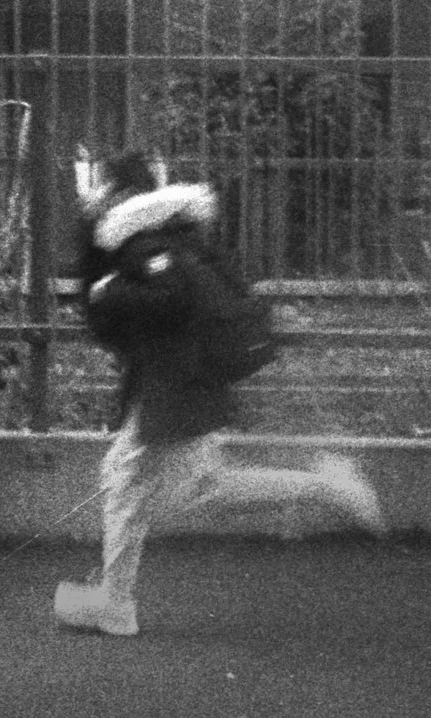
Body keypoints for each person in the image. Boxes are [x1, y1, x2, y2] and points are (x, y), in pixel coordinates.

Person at [53, 152, 386, 639]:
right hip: (182, 381)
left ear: (120, 194)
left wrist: (109, 294)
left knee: (128, 484)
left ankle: (116, 603)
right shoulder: (163, 231)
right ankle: (326, 486)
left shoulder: (142, 239)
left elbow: (169, 300)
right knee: (193, 487)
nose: (94, 198)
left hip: (175, 385)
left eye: (99, 188)